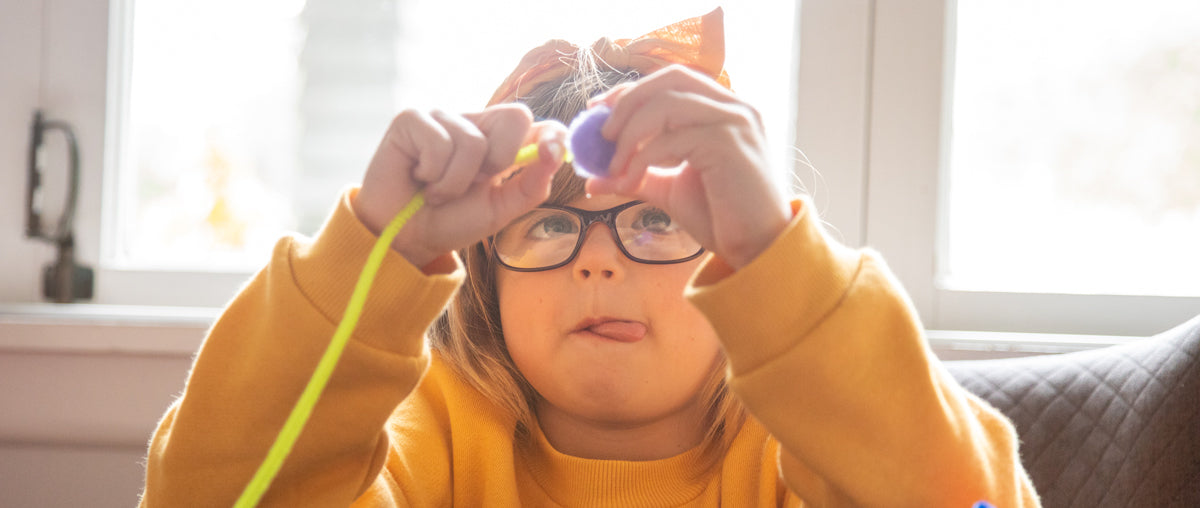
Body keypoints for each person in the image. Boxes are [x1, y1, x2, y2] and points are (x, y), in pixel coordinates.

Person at [139, 8, 1040, 507]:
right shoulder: (430, 435)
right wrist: (378, 249)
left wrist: (780, 257)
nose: (598, 265)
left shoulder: (802, 448)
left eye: (655, 224)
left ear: (732, 269)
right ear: (486, 277)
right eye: (550, 227)